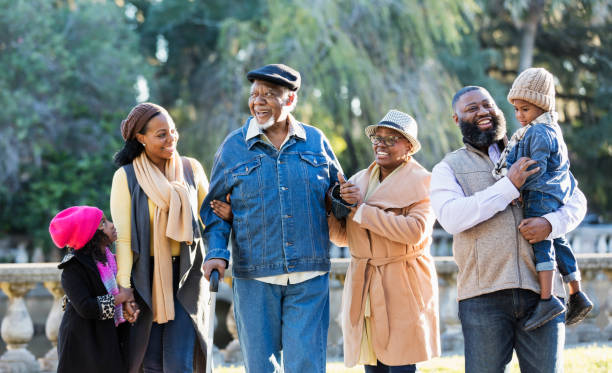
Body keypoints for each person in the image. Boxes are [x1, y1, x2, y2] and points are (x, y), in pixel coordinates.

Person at [430, 86, 587, 372]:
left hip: (544, 294)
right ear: (456, 119)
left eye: (487, 105)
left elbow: (577, 201)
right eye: (472, 108)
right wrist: (507, 186)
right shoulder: (448, 167)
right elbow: (452, 218)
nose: (482, 112)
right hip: (483, 297)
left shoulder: (536, 143)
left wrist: (550, 224)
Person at [200, 64, 343, 373]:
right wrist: (216, 253)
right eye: (254, 95)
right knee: (260, 368)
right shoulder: (233, 148)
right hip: (254, 275)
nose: (258, 101)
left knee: (306, 365)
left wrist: (345, 199)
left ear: (289, 100)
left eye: (269, 95)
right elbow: (213, 212)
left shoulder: (316, 142)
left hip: (308, 273)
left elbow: (337, 198)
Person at [110, 102, 229, 373]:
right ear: (140, 138)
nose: (171, 138)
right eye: (161, 134)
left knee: (180, 363)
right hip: (144, 279)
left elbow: (211, 219)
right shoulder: (125, 178)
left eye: (173, 131)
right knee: (149, 362)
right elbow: (125, 240)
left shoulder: (191, 169)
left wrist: (227, 218)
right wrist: (124, 287)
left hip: (188, 275)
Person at [327, 110, 440, 373]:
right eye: (378, 138)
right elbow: (344, 238)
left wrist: (362, 209)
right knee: (373, 365)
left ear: (409, 146)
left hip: (403, 283)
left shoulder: (424, 181)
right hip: (364, 282)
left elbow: (415, 231)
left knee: (401, 363)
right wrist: (334, 208)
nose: (381, 144)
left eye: (392, 139)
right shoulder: (358, 180)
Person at [493, 67, 593, 330]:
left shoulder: (537, 133)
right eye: (516, 109)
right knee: (558, 241)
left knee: (541, 244)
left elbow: (535, 167)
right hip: (553, 195)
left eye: (525, 109)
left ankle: (546, 299)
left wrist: (516, 189)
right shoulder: (551, 129)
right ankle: (576, 292)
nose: (519, 115)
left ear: (541, 105)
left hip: (539, 195)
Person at [50, 206, 138, 373]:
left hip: (107, 339)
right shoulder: (73, 268)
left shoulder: (111, 261)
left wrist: (128, 310)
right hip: (82, 345)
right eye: (103, 223)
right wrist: (121, 297)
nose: (111, 225)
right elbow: (86, 307)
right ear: (89, 234)